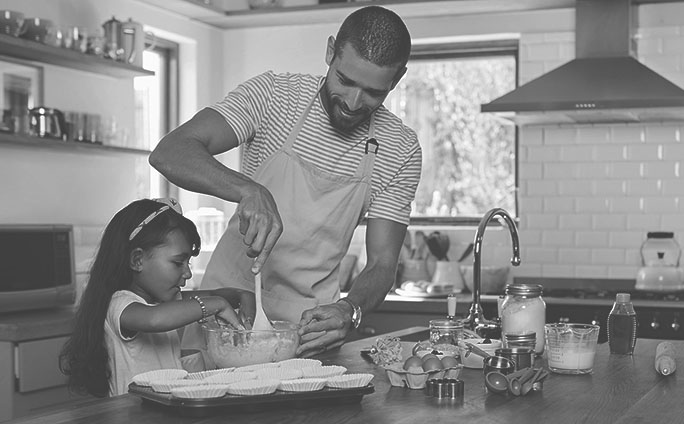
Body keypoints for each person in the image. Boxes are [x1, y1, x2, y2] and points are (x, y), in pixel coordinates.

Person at [149, 5, 421, 357]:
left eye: (373, 93)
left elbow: (382, 264)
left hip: (309, 331)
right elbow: (170, 152)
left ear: (397, 79)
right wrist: (250, 190)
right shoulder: (275, 97)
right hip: (226, 313)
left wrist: (349, 310)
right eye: (345, 80)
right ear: (330, 52)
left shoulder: (400, 149)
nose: (353, 103)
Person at [59, 198, 242, 397]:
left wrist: (240, 297)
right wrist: (217, 304)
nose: (188, 273)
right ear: (137, 260)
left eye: (188, 263)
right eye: (178, 262)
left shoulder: (162, 302)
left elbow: (217, 296)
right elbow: (155, 319)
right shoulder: (120, 304)